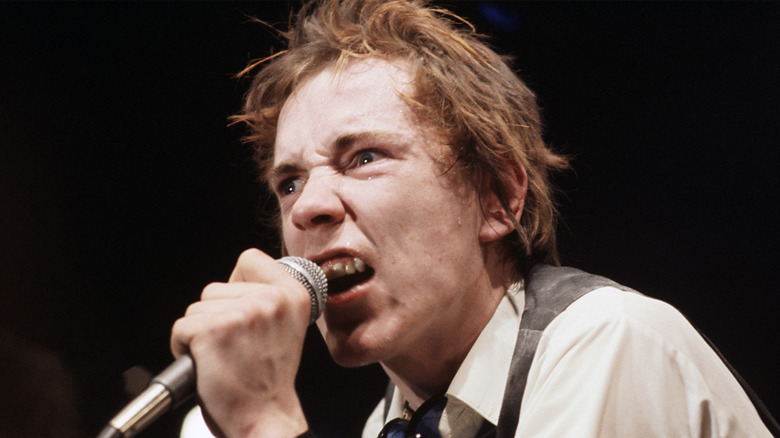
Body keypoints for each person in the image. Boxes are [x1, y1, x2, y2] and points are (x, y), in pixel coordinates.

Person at [172, 1, 775, 437]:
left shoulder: (606, 342)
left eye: (364, 157)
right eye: (290, 181)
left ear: (497, 199)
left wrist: (264, 425)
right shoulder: (391, 424)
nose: (307, 206)